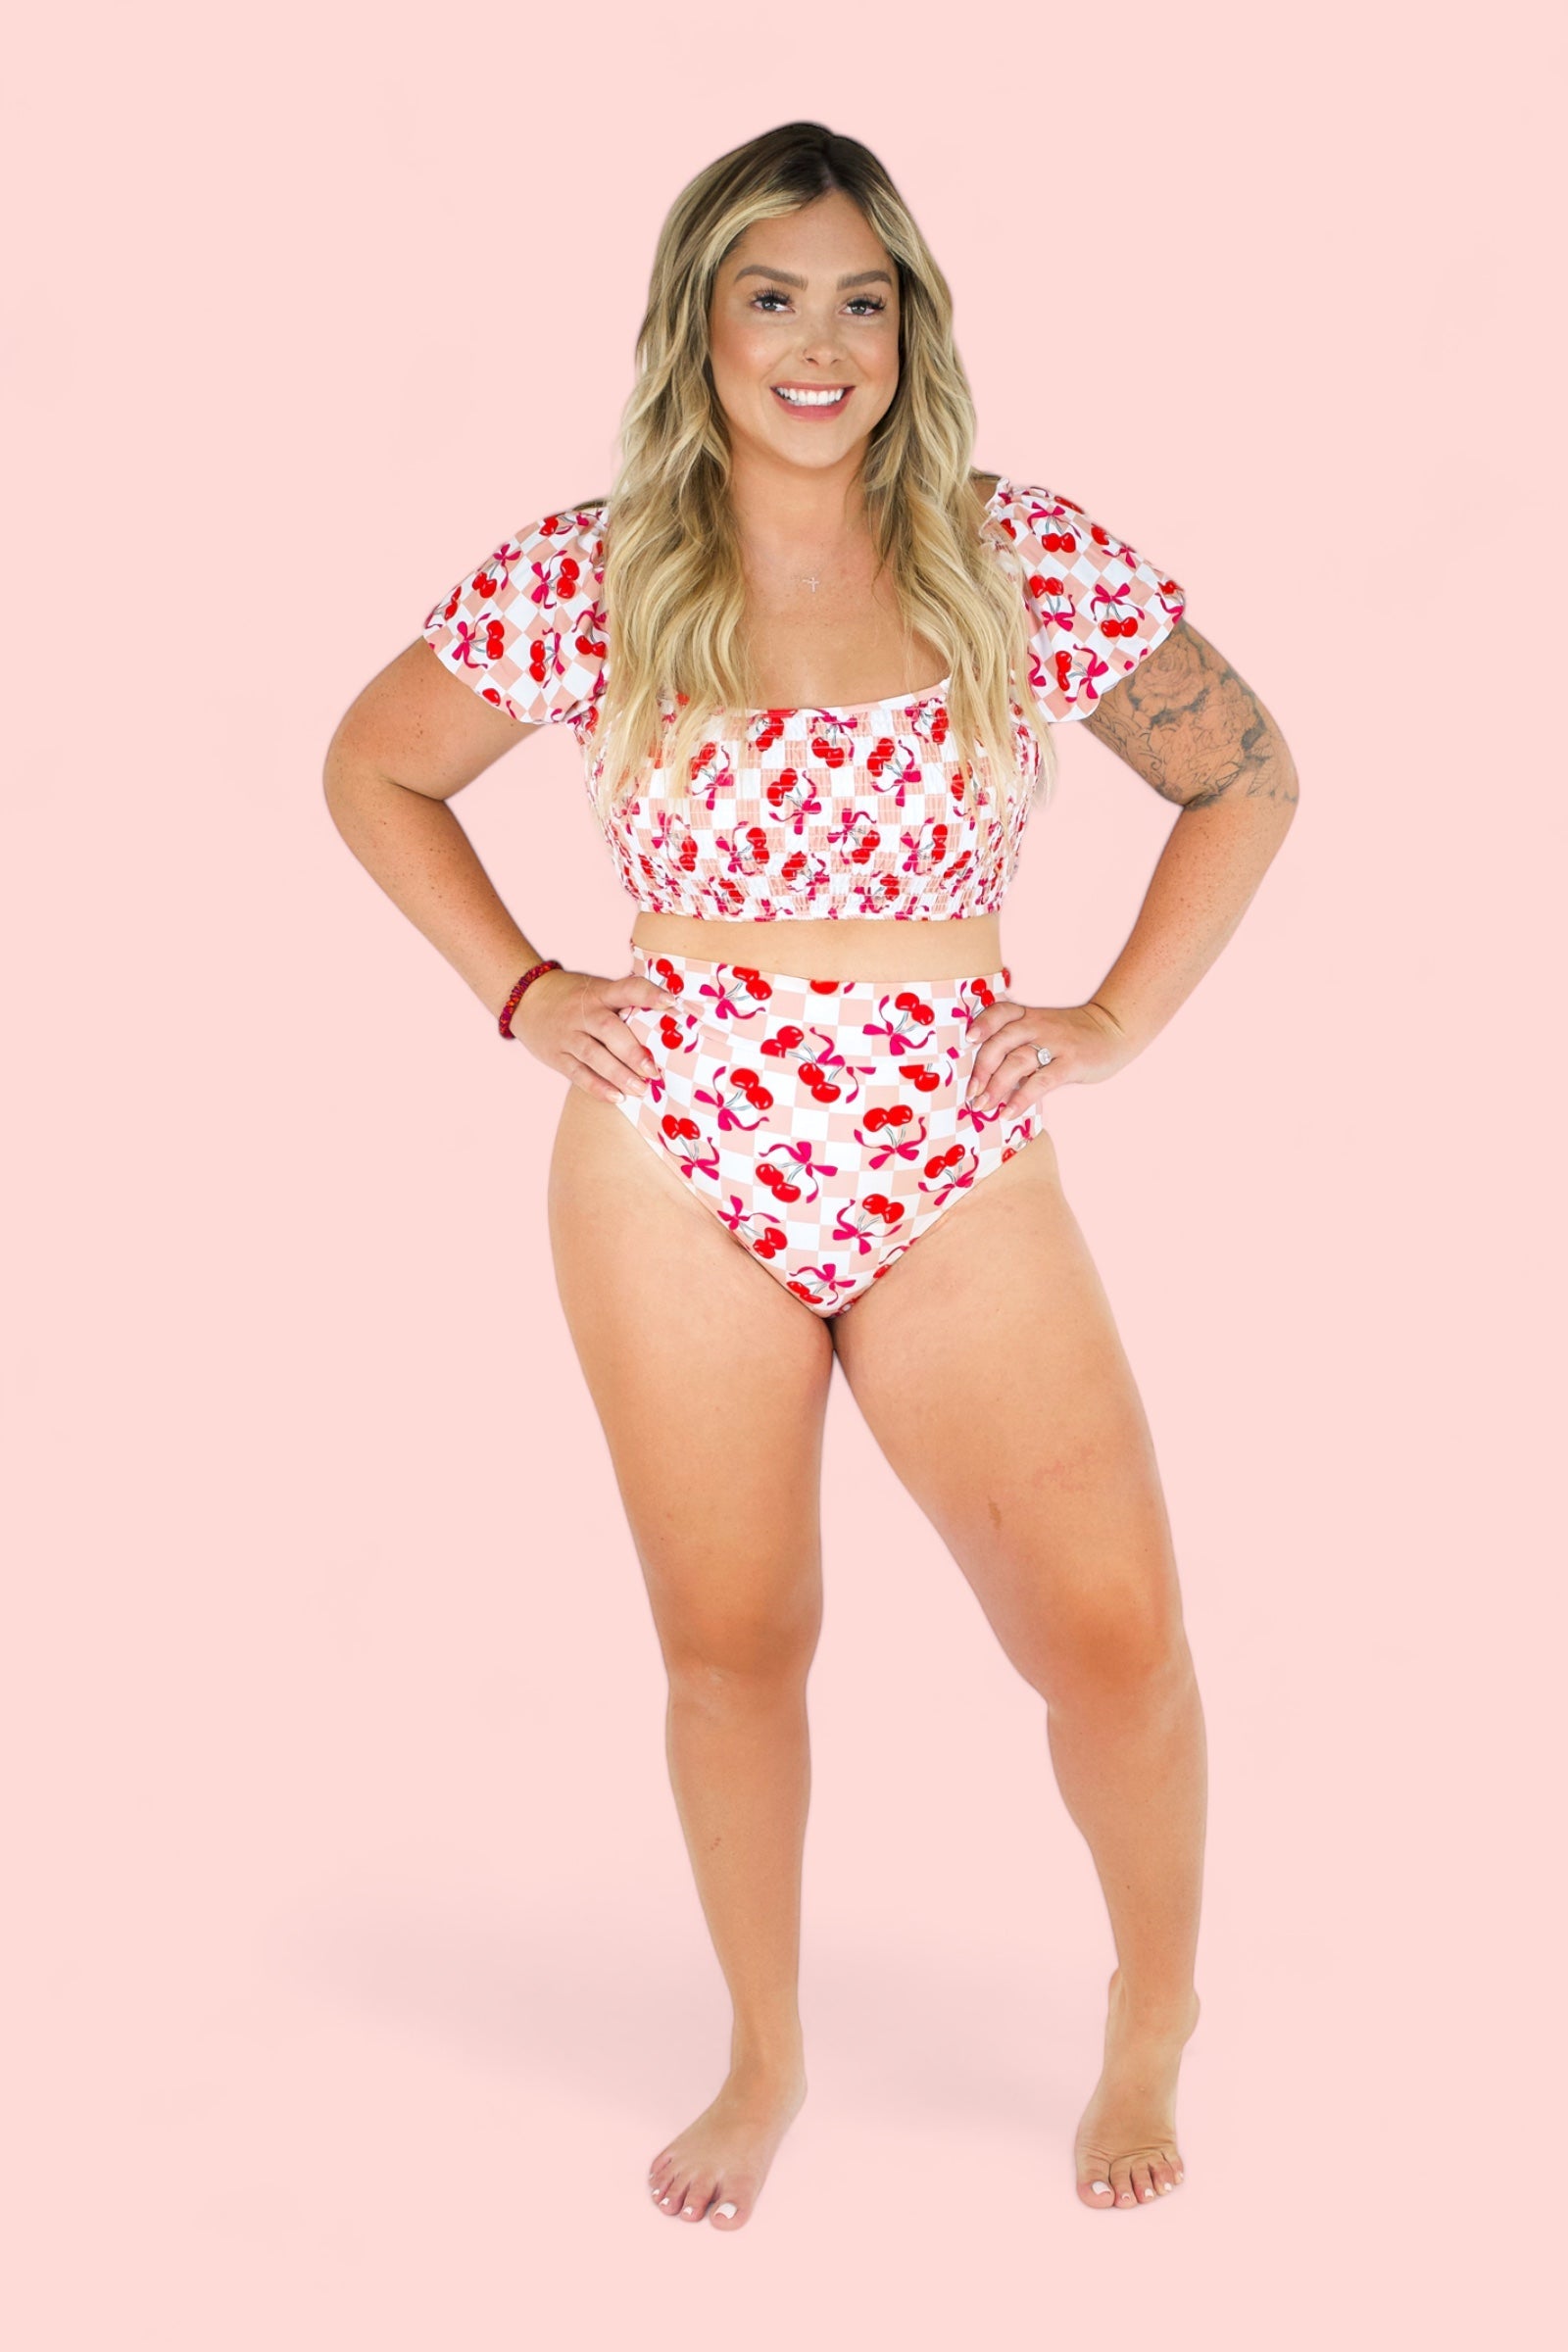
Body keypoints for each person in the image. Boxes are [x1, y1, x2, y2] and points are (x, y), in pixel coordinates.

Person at [323, 120, 1298, 2231]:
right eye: (772, 297)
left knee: (1112, 1632)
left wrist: (1114, 1020)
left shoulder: (1012, 552)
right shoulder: (596, 568)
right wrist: (520, 989)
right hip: (673, 1144)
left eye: (864, 300)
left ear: (911, 328)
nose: (820, 343)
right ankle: (763, 2053)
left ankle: (1151, 2007)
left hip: (947, 1137)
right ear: (699, 323)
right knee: (734, 1637)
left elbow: (1247, 777)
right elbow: (373, 763)